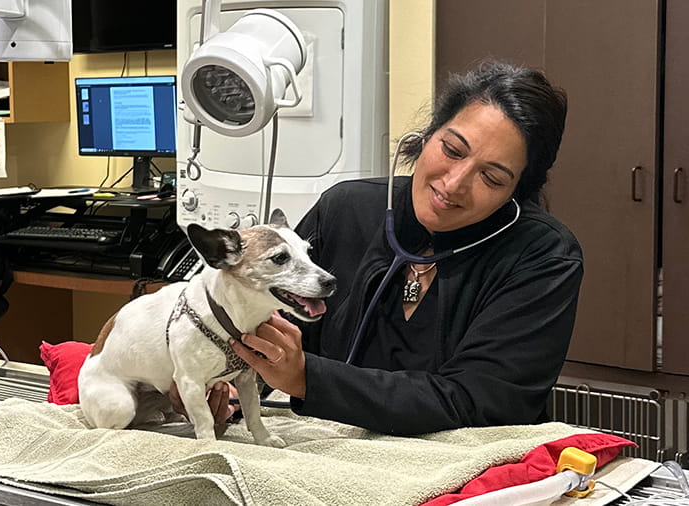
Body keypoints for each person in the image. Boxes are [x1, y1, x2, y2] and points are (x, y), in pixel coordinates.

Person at [216, 60, 581, 435]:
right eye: (453, 150)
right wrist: (223, 375)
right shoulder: (343, 211)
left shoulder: (543, 256)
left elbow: (479, 401)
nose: (454, 184)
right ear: (426, 136)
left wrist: (308, 378)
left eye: (491, 176)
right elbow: (261, 320)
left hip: (461, 465)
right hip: (327, 447)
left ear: (516, 191)